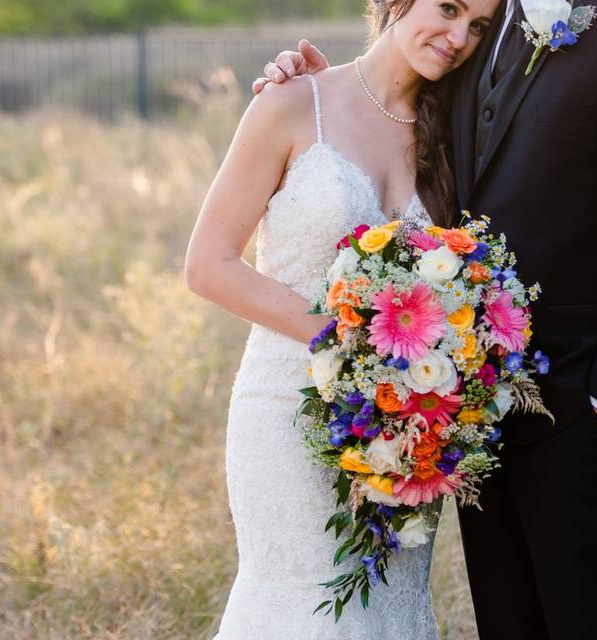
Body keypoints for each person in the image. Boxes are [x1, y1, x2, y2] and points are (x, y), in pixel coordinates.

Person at [255, 0, 597, 637]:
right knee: (510, 621)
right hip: (472, 405)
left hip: (587, 403)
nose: (458, 32)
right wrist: (319, 92)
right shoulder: (481, 23)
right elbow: (402, 114)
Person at [184, 0, 500, 637]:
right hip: (286, 406)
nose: (459, 37)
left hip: (409, 426)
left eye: (479, 28)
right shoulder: (294, 102)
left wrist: (420, 379)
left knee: (386, 610)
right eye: (448, 8)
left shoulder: (457, 135)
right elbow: (209, 264)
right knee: (303, 606)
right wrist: (353, 341)